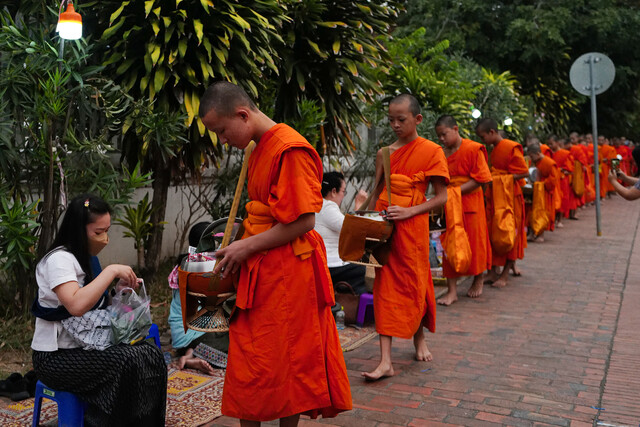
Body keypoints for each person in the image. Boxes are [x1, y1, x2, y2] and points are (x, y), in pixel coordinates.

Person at [198, 81, 352, 426]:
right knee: (250, 358)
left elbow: (303, 221)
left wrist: (245, 245)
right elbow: (262, 210)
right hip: (260, 265)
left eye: (222, 131)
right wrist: (238, 239)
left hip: (289, 271)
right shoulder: (260, 147)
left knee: (289, 358)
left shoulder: (289, 148)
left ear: (242, 114)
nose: (223, 140)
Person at [31, 193, 167, 426]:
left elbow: (96, 305)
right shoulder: (58, 260)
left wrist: (118, 291)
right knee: (128, 361)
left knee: (150, 354)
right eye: (98, 232)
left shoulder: (86, 258)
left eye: (107, 231)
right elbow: (75, 305)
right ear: (78, 229)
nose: (104, 238)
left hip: (86, 349)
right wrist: (111, 271)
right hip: (56, 359)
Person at [363, 94, 449, 380]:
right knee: (384, 288)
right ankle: (385, 360)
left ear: (417, 119)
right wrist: (365, 219)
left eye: (402, 119)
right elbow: (376, 191)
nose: (396, 125)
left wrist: (410, 211)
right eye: (391, 120)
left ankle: (418, 336)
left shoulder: (432, 150)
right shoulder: (384, 153)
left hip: (413, 229)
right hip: (386, 229)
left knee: (415, 284)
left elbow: (441, 198)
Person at [434, 115, 492, 305]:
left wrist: (455, 192)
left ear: (455, 129)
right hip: (450, 205)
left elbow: (481, 179)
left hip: (470, 204)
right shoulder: (441, 153)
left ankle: (478, 278)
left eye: (444, 134)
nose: (442, 139)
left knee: (474, 244)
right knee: (449, 244)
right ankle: (452, 290)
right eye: (439, 136)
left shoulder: (473, 149)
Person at [168, 221, 229, 376]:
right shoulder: (203, 268)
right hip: (195, 332)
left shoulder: (186, 264)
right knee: (237, 345)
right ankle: (191, 357)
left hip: (183, 336)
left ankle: (189, 353)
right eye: (214, 242)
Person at [475, 118, 529, 288]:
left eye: (483, 137)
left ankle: (505, 274)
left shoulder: (510, 147)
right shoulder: (495, 149)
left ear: (492, 132)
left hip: (510, 198)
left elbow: (523, 173)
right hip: (495, 197)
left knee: (509, 233)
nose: (483, 141)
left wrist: (498, 179)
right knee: (494, 232)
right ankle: (493, 271)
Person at [315, 171, 368, 294]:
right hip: (330, 265)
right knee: (360, 269)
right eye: (343, 192)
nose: (343, 196)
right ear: (333, 192)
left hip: (320, 262)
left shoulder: (317, 204)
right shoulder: (328, 207)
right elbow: (354, 230)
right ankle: (352, 307)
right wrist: (359, 204)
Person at [527, 143, 559, 242]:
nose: (531, 159)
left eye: (532, 156)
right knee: (532, 211)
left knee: (542, 212)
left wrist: (540, 184)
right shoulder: (535, 162)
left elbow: (553, 180)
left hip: (544, 192)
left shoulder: (549, 163)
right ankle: (532, 233)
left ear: (537, 153)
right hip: (535, 190)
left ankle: (541, 235)